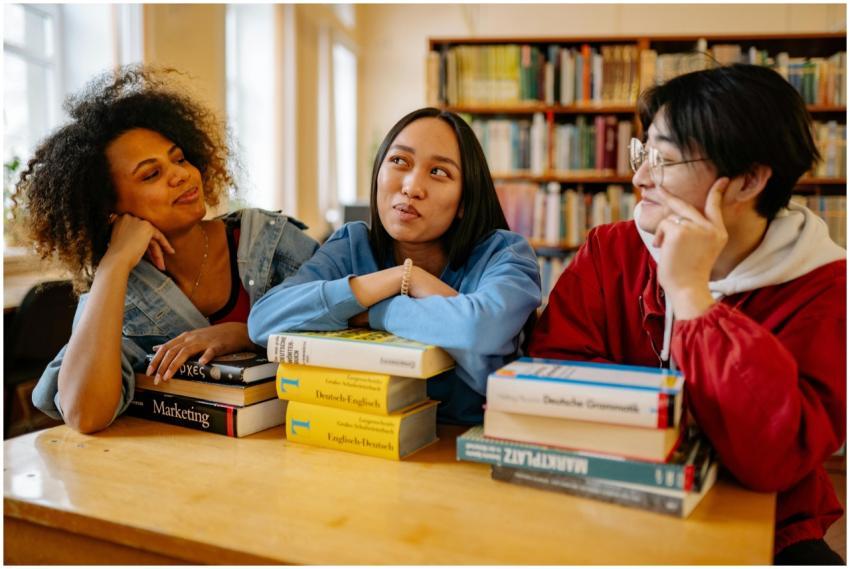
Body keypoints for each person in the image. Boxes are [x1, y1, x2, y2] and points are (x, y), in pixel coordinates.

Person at [529, 64, 845, 564]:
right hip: (613, 499)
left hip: (769, 529)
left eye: (664, 159)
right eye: (643, 151)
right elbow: (552, 371)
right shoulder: (611, 249)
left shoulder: (827, 288)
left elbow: (774, 458)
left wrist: (690, 294)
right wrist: (689, 414)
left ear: (747, 180)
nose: (638, 176)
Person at [21, 66, 319, 434]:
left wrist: (245, 333)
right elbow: (84, 414)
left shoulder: (270, 242)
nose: (180, 175)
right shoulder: (119, 289)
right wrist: (114, 264)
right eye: (151, 174)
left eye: (178, 159)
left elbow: (354, 322)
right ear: (109, 209)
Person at [248, 107, 541, 424]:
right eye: (400, 161)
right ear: (378, 174)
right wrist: (399, 278)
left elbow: (477, 330)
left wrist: (374, 312)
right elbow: (264, 320)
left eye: (439, 172)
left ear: (464, 202)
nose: (412, 187)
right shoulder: (351, 245)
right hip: (360, 439)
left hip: (463, 451)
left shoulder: (506, 254)